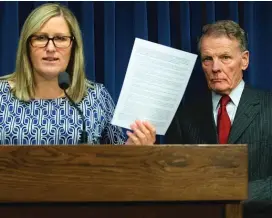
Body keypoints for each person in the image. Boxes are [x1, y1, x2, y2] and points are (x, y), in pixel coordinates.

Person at [0, 3, 156, 145]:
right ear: (26, 45)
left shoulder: (97, 97)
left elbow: (117, 159)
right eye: (41, 38)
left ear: (73, 47)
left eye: (60, 38)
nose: (50, 48)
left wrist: (135, 147)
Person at [165, 20, 272, 200]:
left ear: (244, 60)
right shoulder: (184, 116)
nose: (215, 68)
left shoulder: (268, 106)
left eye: (225, 57)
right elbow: (174, 178)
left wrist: (232, 195)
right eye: (208, 59)